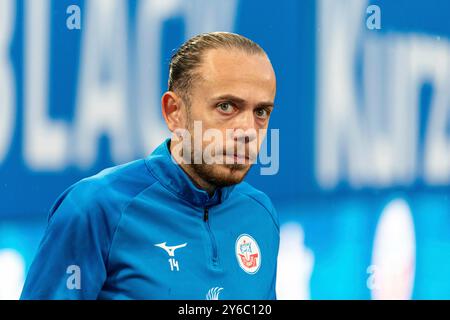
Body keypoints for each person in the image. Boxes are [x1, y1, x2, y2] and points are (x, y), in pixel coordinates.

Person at [21, 32, 279, 300]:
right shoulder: (96, 207)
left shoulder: (260, 214)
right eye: (226, 106)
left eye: (261, 112)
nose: (248, 130)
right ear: (173, 112)